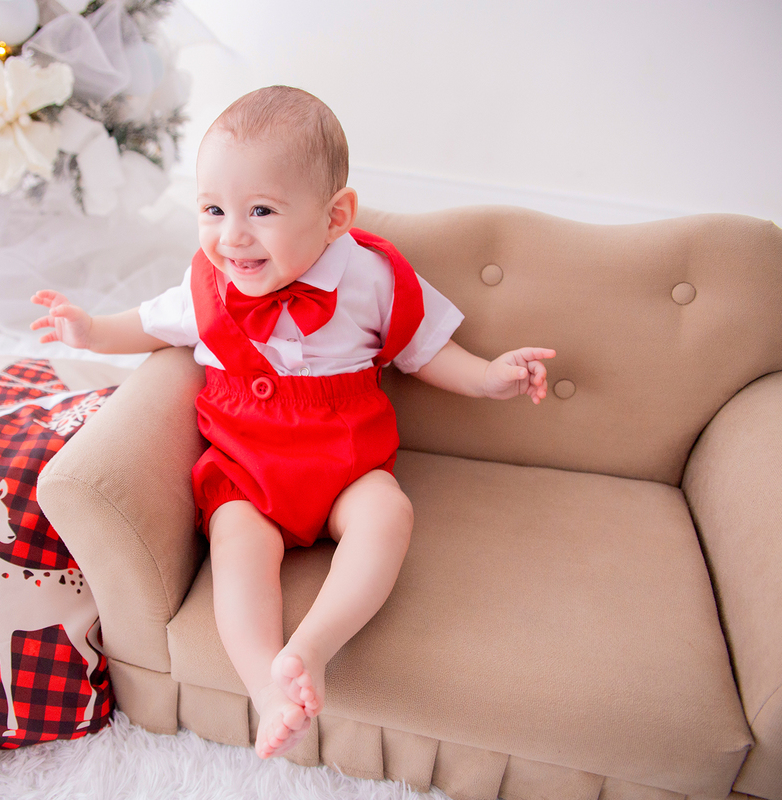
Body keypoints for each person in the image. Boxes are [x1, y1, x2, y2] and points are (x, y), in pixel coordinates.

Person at [30, 86, 554, 759]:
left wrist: (489, 378)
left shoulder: (372, 277)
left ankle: (313, 648)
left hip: (347, 464)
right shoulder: (206, 287)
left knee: (387, 515)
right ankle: (267, 687)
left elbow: (426, 351)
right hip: (246, 471)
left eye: (262, 211)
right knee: (237, 552)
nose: (233, 236)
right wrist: (89, 328)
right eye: (213, 209)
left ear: (336, 216)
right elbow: (141, 323)